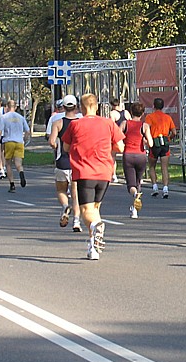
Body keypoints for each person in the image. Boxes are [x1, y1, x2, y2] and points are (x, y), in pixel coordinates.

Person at [60, 93, 124, 260]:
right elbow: (120, 147)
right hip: (104, 172)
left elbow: (65, 147)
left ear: (81, 108)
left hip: (85, 171)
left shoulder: (75, 124)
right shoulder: (108, 123)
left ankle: (96, 226)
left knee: (86, 210)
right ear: (96, 106)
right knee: (95, 208)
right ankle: (93, 246)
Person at [49, 94, 82, 232]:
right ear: (76, 107)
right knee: (76, 194)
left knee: (61, 190)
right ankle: (76, 221)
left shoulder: (58, 123)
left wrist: (57, 146)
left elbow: (52, 141)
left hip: (62, 161)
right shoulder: (81, 122)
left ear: (63, 107)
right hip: (77, 162)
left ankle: (65, 206)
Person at [119, 102, 153, 218]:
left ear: (131, 112)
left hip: (128, 154)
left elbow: (117, 137)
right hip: (141, 156)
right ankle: (135, 209)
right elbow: (151, 144)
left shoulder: (125, 124)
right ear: (142, 114)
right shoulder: (145, 126)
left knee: (131, 184)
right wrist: (144, 141)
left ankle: (135, 195)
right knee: (138, 181)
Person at [144, 97, 177, 198]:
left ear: (153, 106)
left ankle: (155, 187)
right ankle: (165, 189)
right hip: (165, 144)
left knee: (152, 166)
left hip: (154, 143)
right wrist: (169, 138)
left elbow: (146, 129)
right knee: (164, 167)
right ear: (163, 106)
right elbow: (174, 132)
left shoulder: (149, 117)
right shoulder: (168, 118)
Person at [0, 99, 30, 192]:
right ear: (15, 107)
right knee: (18, 163)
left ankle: (12, 184)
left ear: (7, 107)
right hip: (19, 142)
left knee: (8, 163)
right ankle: (21, 172)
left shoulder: (4, 117)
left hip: (9, 141)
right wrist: (24, 140)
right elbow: (27, 131)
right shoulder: (21, 117)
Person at [109, 98, 131, 184]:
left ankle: (114, 175)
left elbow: (112, 126)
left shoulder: (112, 113)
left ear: (112, 105)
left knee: (113, 156)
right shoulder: (126, 112)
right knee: (126, 156)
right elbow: (130, 123)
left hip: (117, 137)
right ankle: (128, 174)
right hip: (126, 136)